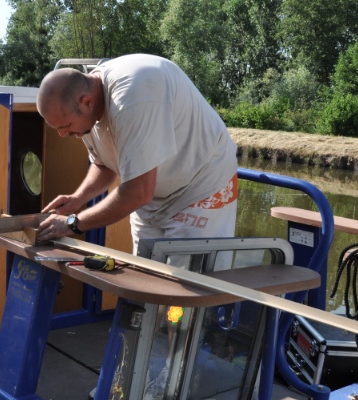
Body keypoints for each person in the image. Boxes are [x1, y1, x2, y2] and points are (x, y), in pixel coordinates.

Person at [36, 54, 238, 252]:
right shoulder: (86, 108)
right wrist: (78, 198)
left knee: (186, 282)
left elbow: (139, 191)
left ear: (87, 102)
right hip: (152, 197)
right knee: (144, 276)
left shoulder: (132, 98)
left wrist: (73, 223)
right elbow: (104, 164)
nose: (63, 134)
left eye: (66, 126)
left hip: (200, 188)